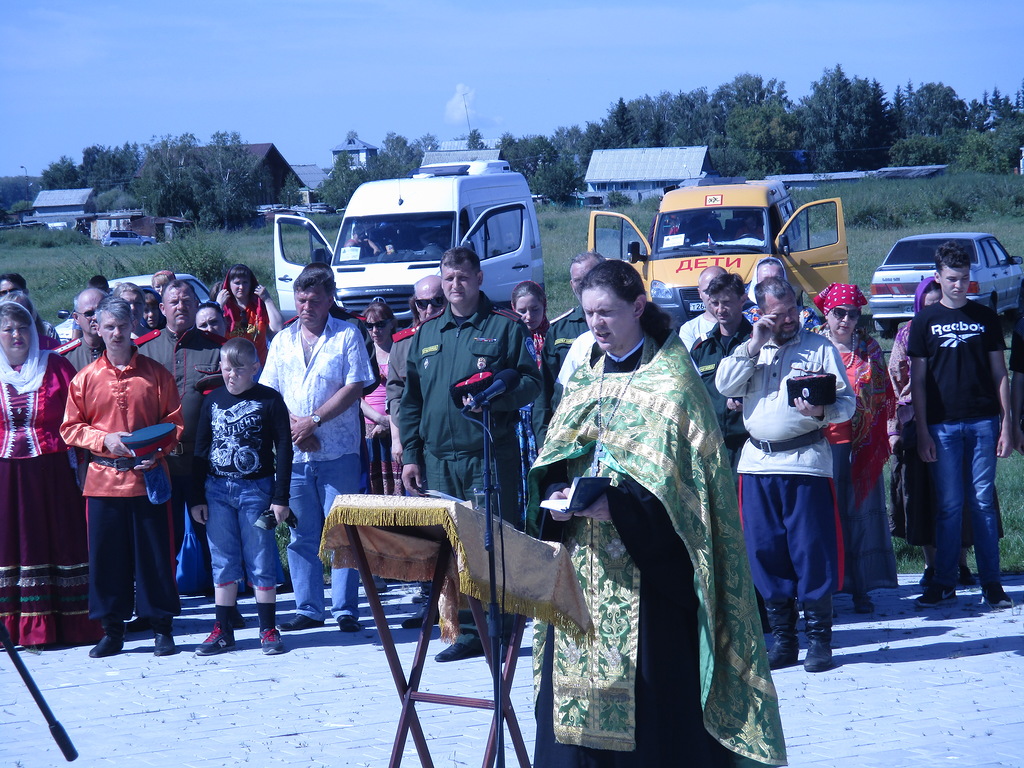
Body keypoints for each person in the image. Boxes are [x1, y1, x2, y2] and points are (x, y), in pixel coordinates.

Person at [528, 260, 785, 766]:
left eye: (606, 312)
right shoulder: (584, 380)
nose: (596, 324)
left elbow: (692, 494)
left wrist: (621, 507)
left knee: (652, 711)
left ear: (638, 307)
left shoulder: (673, 383)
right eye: (588, 314)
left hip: (649, 577)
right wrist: (558, 495)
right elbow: (557, 458)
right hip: (581, 569)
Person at [399, 246, 541, 662]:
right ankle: (464, 630)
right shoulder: (427, 333)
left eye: (463, 277)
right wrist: (411, 455)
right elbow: (411, 401)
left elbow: (531, 382)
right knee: (451, 547)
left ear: (479, 278)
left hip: (487, 456)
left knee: (490, 545)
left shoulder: (504, 327)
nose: (455, 285)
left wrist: (495, 400)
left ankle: (499, 627)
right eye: (448, 278)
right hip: (439, 460)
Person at [716, 276, 855, 673]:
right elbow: (723, 384)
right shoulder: (750, 349)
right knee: (765, 552)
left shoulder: (819, 348)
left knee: (812, 551)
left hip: (805, 462)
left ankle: (820, 641)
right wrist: (754, 345)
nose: (789, 319)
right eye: (778, 314)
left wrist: (823, 411)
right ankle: (784, 641)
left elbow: (848, 403)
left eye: (792, 309)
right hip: (757, 465)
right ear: (760, 314)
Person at [60, 297, 185, 658]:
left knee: (155, 557)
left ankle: (161, 628)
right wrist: (104, 440)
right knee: (107, 560)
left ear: (133, 326)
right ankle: (112, 632)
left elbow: (174, 422)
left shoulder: (155, 374)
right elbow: (70, 428)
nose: (116, 333)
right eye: (109, 327)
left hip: (148, 479)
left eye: (122, 326)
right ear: (97, 328)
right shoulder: (85, 379)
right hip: (103, 482)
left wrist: (155, 453)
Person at [261, 262, 375, 634]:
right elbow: (270, 393)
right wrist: (298, 428)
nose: (306, 307)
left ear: (329, 299)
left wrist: (315, 420)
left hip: (338, 451)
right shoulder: (282, 341)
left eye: (313, 300)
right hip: (295, 452)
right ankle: (309, 607)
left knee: (343, 531)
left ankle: (345, 609)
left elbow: (354, 387)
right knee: (301, 533)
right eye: (300, 299)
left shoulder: (347, 335)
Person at [908, 241, 1013, 610]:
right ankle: (944, 582)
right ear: (938, 277)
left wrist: (1006, 424)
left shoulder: (985, 316)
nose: (959, 285)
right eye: (952, 278)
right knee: (950, 505)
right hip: (942, 427)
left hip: (984, 422)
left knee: (982, 503)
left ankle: (992, 584)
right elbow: (918, 381)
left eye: (965, 278)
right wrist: (923, 430)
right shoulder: (924, 321)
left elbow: (1000, 372)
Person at [0, 300, 100, 647]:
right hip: (6, 479)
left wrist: (84, 466)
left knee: (58, 542)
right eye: (8, 329)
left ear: (33, 330)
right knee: (10, 544)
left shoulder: (56, 366)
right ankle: (12, 626)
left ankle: (66, 625)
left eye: (22, 328)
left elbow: (80, 418)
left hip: (53, 474)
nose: (16, 335)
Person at [190, 338, 293, 656]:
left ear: (254, 368)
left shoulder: (270, 399)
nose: (231, 375)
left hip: (256, 491)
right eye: (226, 368)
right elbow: (201, 448)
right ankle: (223, 629)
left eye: (238, 369)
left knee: (260, 558)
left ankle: (268, 628)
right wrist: (196, 496)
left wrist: (281, 497)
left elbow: (284, 448)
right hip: (217, 491)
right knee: (222, 560)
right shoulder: (213, 400)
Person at [812, 283, 898, 614]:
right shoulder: (813, 345)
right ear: (826, 313)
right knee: (824, 518)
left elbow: (882, 392)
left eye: (852, 313)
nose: (845, 320)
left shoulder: (869, 348)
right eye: (839, 313)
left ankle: (862, 587)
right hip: (820, 444)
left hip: (861, 445)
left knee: (859, 518)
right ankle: (827, 589)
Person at [889, 279, 979, 587]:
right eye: (928, 306)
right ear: (919, 306)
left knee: (960, 494)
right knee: (922, 496)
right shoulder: (906, 334)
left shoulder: (962, 330)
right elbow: (895, 383)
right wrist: (895, 429)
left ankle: (961, 562)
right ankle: (931, 565)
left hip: (958, 417)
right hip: (918, 422)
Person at [138, 280, 223, 602]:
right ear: (162, 308)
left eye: (187, 301)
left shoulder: (217, 348)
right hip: (161, 462)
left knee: (214, 537)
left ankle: (224, 606)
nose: (181, 306)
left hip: (204, 462)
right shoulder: (144, 350)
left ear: (196, 305)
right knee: (163, 536)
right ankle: (161, 605)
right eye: (173, 302)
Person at [535, 251, 604, 443]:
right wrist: (542, 437)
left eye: (589, 277)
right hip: (570, 433)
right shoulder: (559, 330)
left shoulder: (624, 324)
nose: (583, 285)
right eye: (578, 280)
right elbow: (545, 388)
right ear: (572, 285)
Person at [689, 271, 754, 471]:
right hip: (712, 444)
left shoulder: (756, 344)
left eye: (726, 302)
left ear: (742, 300)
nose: (720, 309)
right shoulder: (702, 347)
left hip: (748, 444)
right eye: (715, 303)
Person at [385, 275, 446, 467]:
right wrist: (400, 437)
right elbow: (394, 395)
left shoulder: (462, 336)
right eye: (422, 303)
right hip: (416, 438)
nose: (430, 310)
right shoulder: (402, 344)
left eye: (437, 301)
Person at [512, 279, 548, 524]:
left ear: (544, 306)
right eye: (522, 311)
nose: (528, 316)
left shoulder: (553, 336)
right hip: (518, 421)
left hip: (544, 418)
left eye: (535, 309)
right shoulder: (510, 336)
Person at [359, 301, 401, 496]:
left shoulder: (401, 350)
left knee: (398, 484)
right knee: (375, 487)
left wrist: (389, 422)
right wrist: (379, 419)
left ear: (392, 323)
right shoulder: (363, 353)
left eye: (380, 324)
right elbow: (356, 396)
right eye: (369, 326)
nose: (375, 331)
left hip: (397, 426)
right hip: (371, 428)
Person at [216, 264, 284, 364]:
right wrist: (218, 306)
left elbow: (278, 328)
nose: (241, 287)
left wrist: (267, 300)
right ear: (229, 284)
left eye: (245, 282)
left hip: (258, 365)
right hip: (232, 366)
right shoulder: (224, 309)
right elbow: (212, 333)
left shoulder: (260, 306)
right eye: (237, 283)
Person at [743, 257, 821, 330]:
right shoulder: (745, 318)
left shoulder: (805, 315)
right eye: (766, 280)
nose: (772, 284)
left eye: (777, 279)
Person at [679, 264, 727, 350]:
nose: (713, 295)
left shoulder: (745, 323)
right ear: (699, 293)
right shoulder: (689, 329)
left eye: (718, 289)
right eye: (707, 291)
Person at [57, 287, 107, 370]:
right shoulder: (63, 358)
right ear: (76, 318)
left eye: (100, 311)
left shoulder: (124, 349)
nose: (95, 317)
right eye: (89, 313)